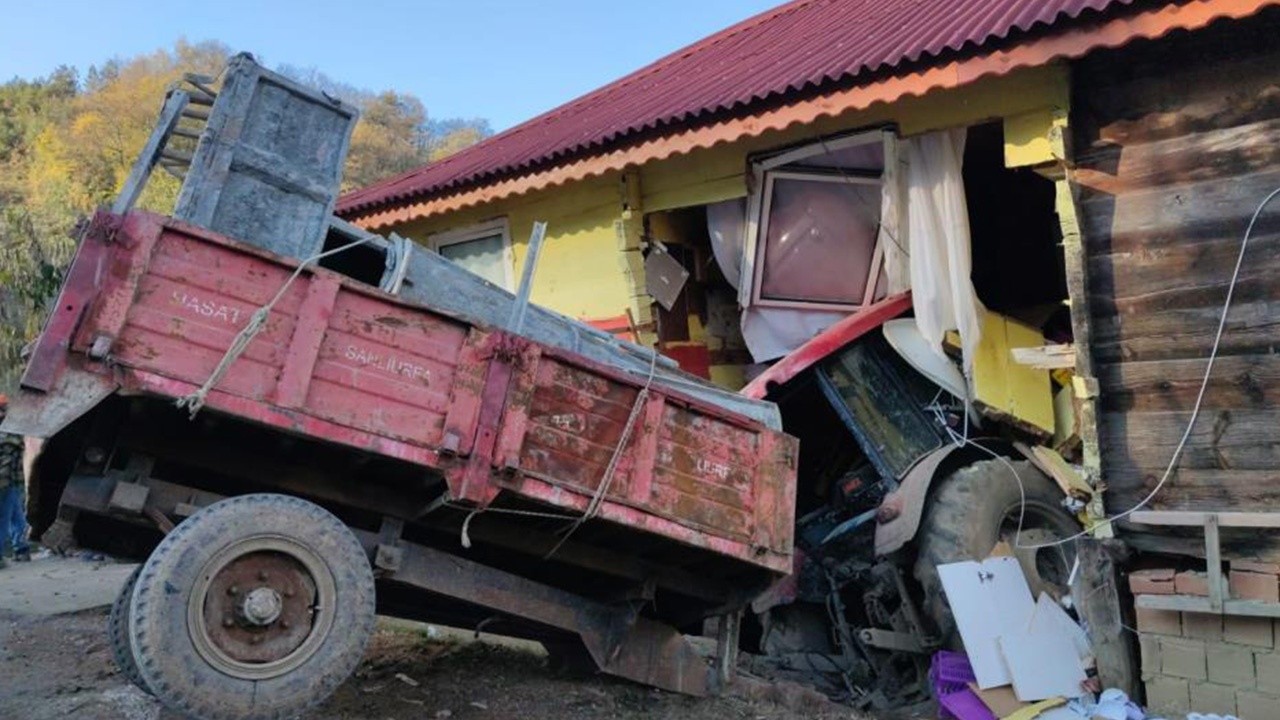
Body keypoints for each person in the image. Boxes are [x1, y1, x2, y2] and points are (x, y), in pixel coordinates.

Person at [0, 394, 31, 567]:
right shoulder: (11, 433)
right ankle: (20, 549)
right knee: (9, 516)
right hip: (9, 482)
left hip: (8, 482)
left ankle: (20, 549)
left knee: (9, 516)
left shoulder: (9, 433)